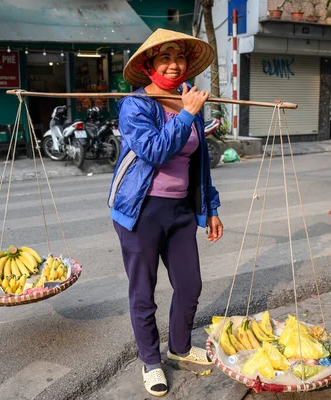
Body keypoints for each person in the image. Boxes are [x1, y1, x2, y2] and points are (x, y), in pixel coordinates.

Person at [107, 29, 223, 397]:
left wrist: (212, 208)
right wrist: (187, 115)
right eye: (164, 58)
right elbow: (154, 151)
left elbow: (199, 165)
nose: (174, 65)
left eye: (180, 58)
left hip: (180, 211)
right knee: (143, 291)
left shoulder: (188, 100)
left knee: (190, 286)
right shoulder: (135, 105)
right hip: (141, 211)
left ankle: (179, 347)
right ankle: (151, 361)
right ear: (149, 65)